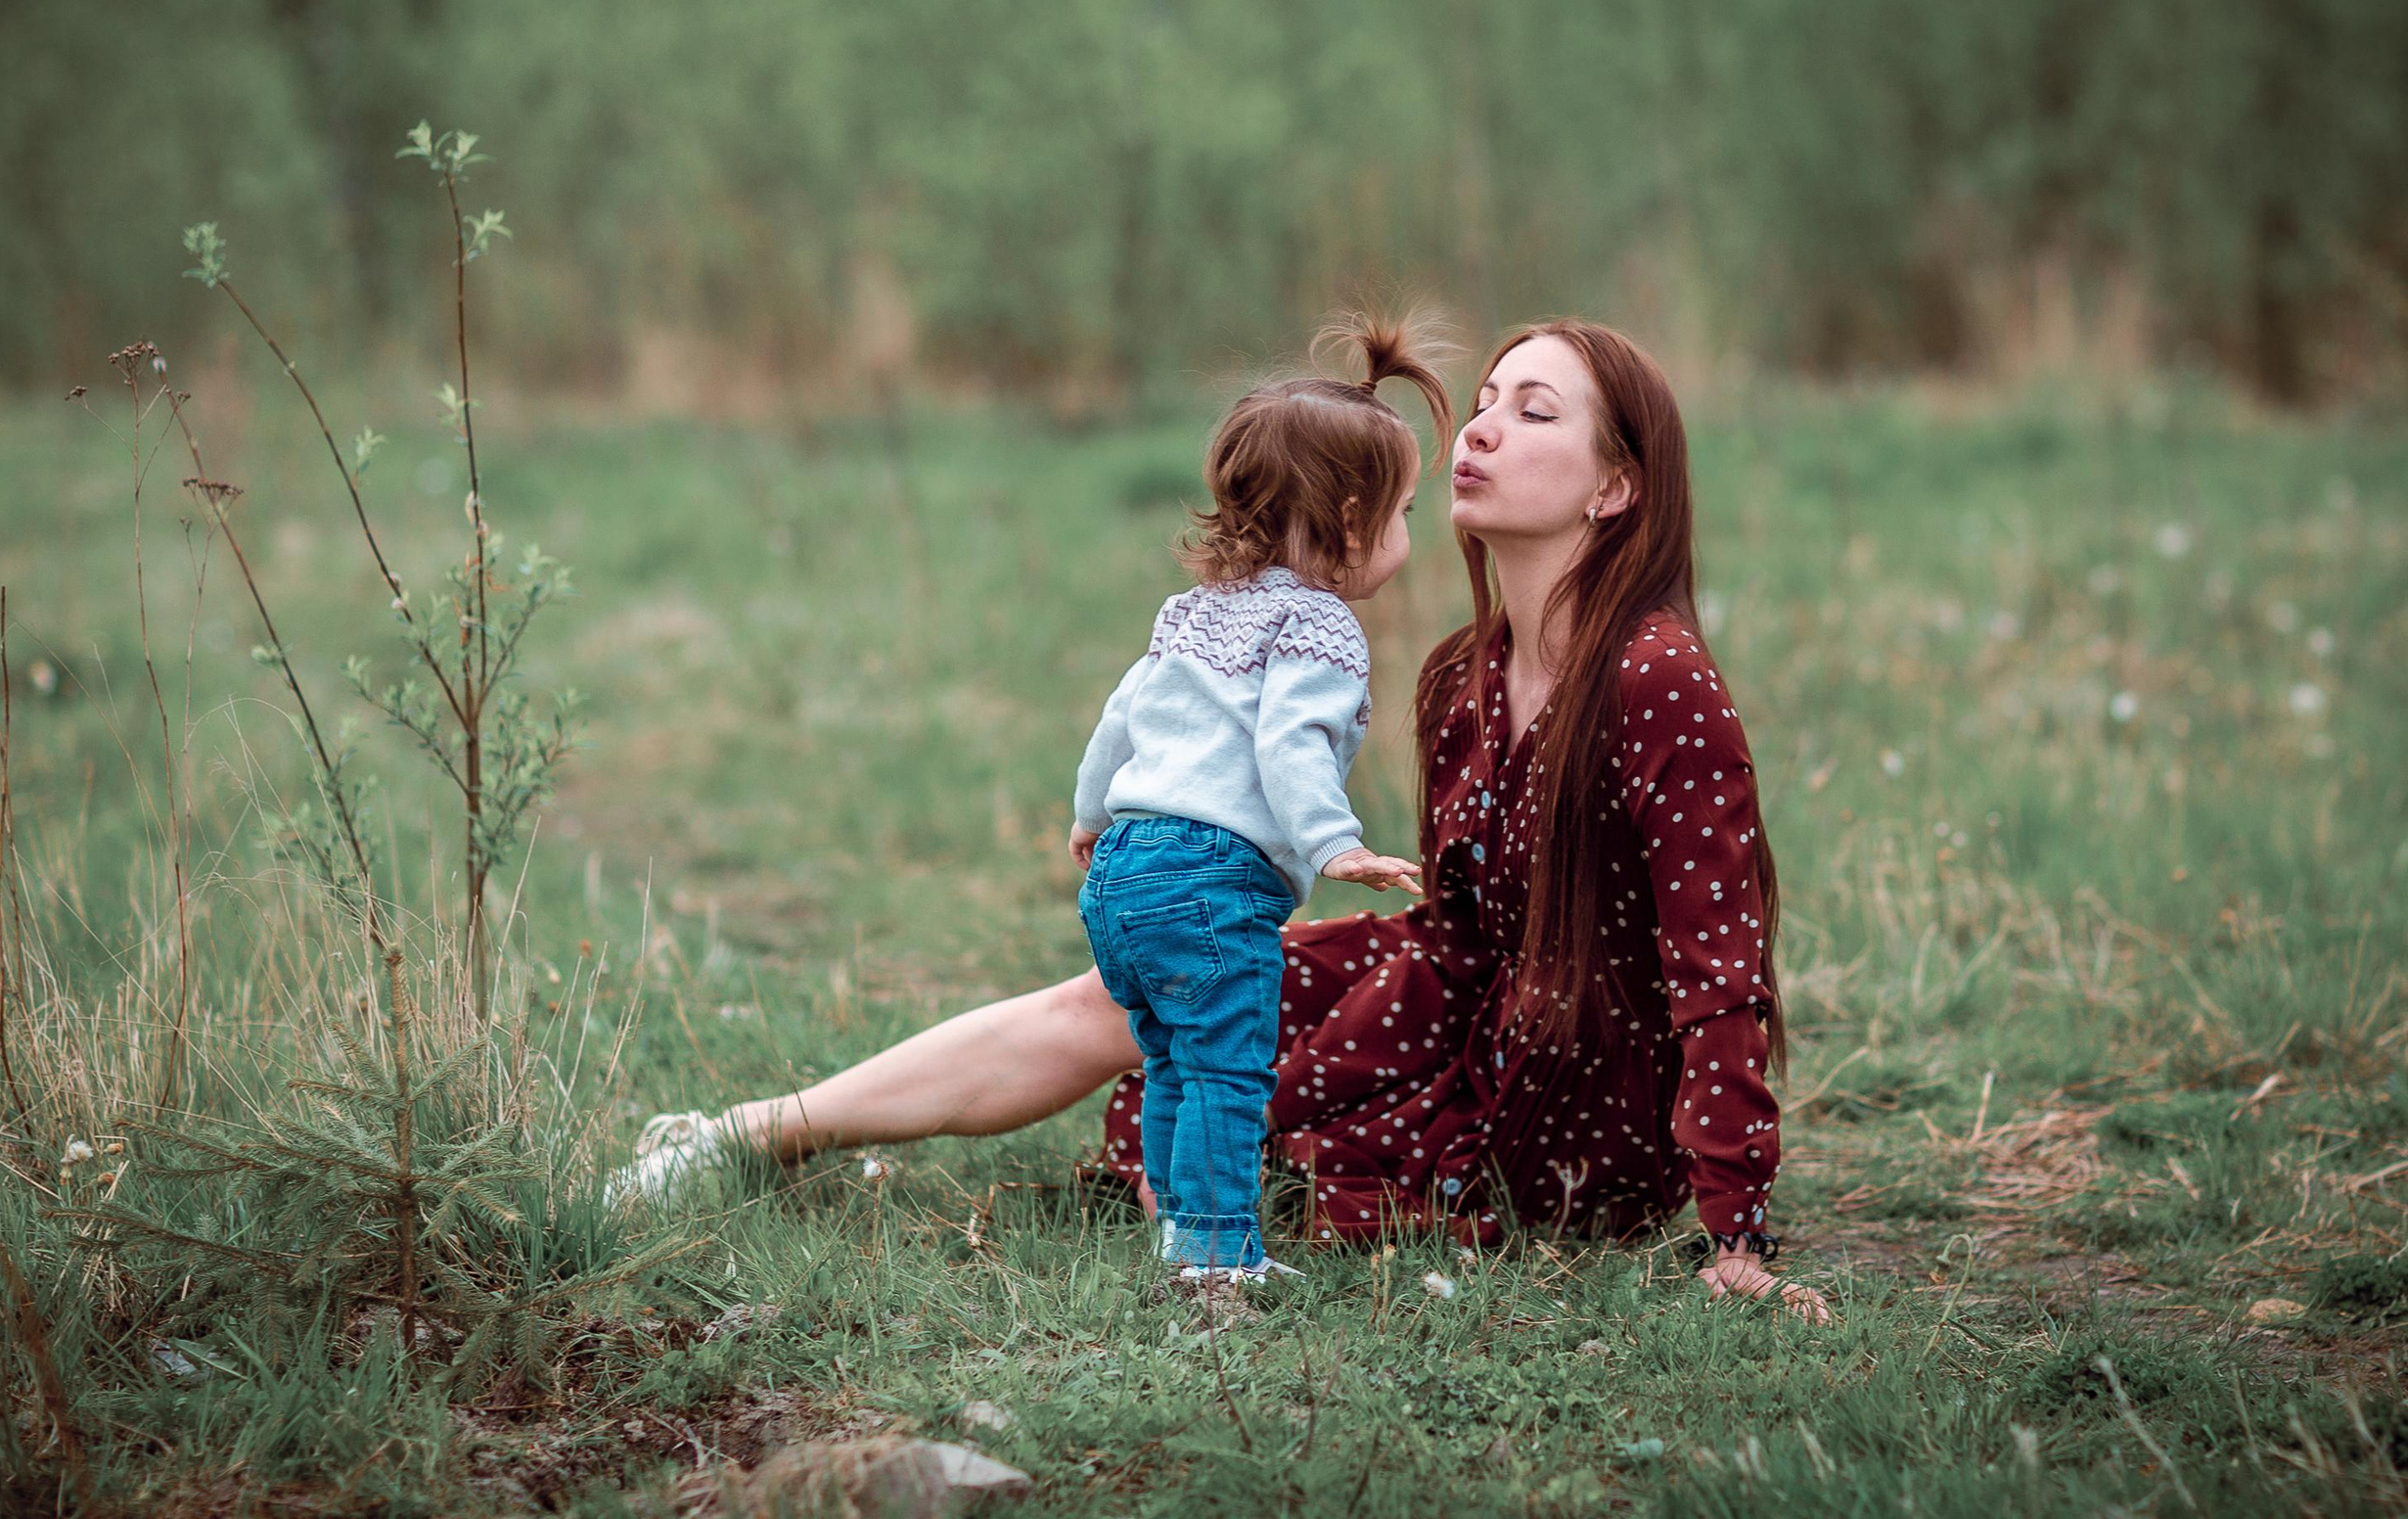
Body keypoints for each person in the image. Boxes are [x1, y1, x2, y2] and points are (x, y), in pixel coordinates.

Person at [619, 316, 1830, 1323]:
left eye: (1535, 412)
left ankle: (1226, 1179)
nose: (1478, 427)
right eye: (1485, 400)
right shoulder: (1461, 675)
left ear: (1615, 486)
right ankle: (747, 1133)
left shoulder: (1656, 678)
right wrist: (1328, 1018)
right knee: (1140, 996)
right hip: (1457, 996)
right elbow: (1453, 932)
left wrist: (1737, 1229)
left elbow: (1718, 966)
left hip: (1575, 1089)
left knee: (1226, 1053)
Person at [1069, 311, 1446, 1291]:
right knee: (1229, 1070)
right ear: (1354, 519)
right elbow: (1289, 743)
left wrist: (1088, 820)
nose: (1407, 533)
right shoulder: (1317, 625)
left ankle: (1178, 1232)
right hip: (1209, 880)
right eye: (1406, 513)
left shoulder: (1190, 612)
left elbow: (1120, 720)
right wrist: (1333, 844)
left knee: (1170, 1062)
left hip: (1121, 871)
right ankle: (1215, 1256)